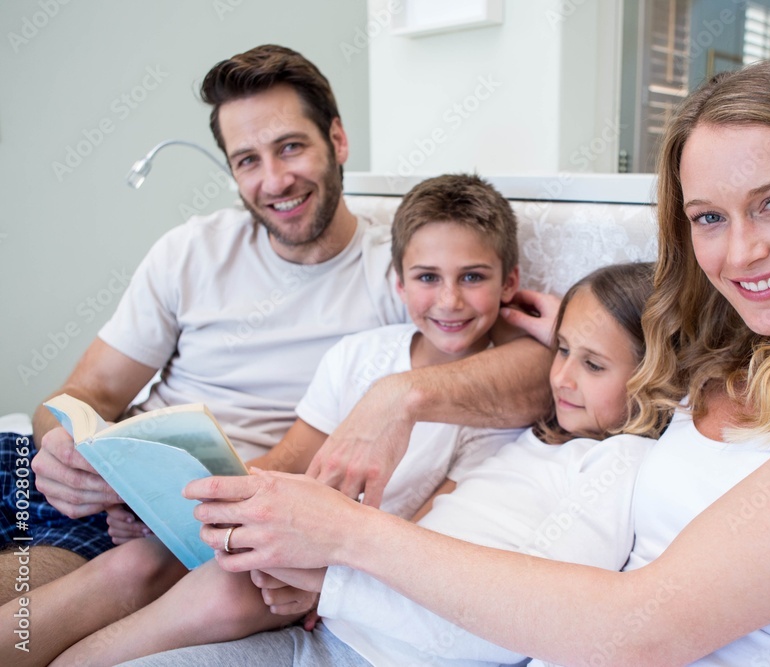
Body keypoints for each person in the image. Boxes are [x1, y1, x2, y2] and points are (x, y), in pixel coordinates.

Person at [151, 60, 770, 666]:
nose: (741, 251)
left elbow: (648, 629)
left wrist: (346, 541)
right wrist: (555, 341)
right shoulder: (718, 370)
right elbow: (570, 389)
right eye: (707, 217)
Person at [0, 42, 549, 651]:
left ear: (336, 141)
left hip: (187, 521)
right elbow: (90, 390)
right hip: (81, 481)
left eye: (290, 147)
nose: (275, 180)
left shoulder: (407, 273)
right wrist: (65, 449)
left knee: (34, 591)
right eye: (247, 160)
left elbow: (534, 372)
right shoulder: (190, 250)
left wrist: (400, 396)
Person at [31, 171, 526, 667]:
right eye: (427, 277)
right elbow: (290, 462)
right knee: (136, 561)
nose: (449, 301)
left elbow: (425, 531)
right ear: (398, 281)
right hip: (282, 536)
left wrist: (329, 585)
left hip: (349, 564)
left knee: (224, 593)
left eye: (473, 277)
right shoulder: (358, 356)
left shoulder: (494, 411)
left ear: (509, 282)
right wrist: (169, 509)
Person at [121, 261, 666, 666]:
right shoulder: (535, 433)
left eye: (592, 364)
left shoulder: (622, 465)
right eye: (561, 349)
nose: (561, 377)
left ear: (659, 376)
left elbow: (524, 625)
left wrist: (331, 586)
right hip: (333, 632)